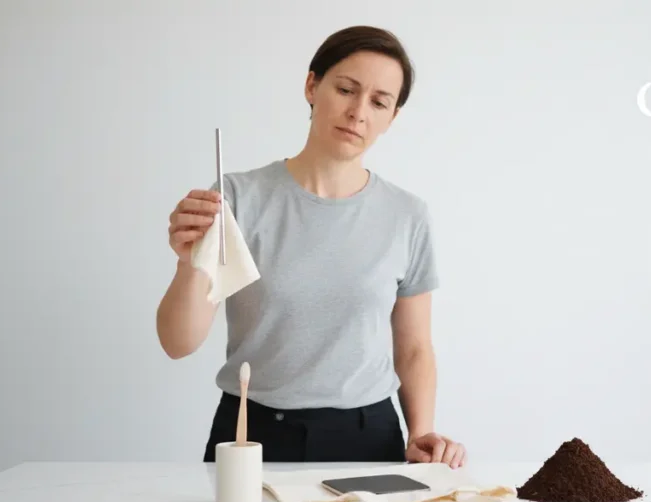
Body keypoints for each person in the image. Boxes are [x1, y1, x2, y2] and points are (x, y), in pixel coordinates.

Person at [156, 25, 466, 469]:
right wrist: (188, 264)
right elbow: (177, 343)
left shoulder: (407, 216)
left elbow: (414, 346)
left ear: (392, 117)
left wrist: (421, 433)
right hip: (250, 433)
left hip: (369, 438)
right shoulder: (238, 199)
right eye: (346, 89)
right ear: (312, 86)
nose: (358, 112)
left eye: (379, 102)